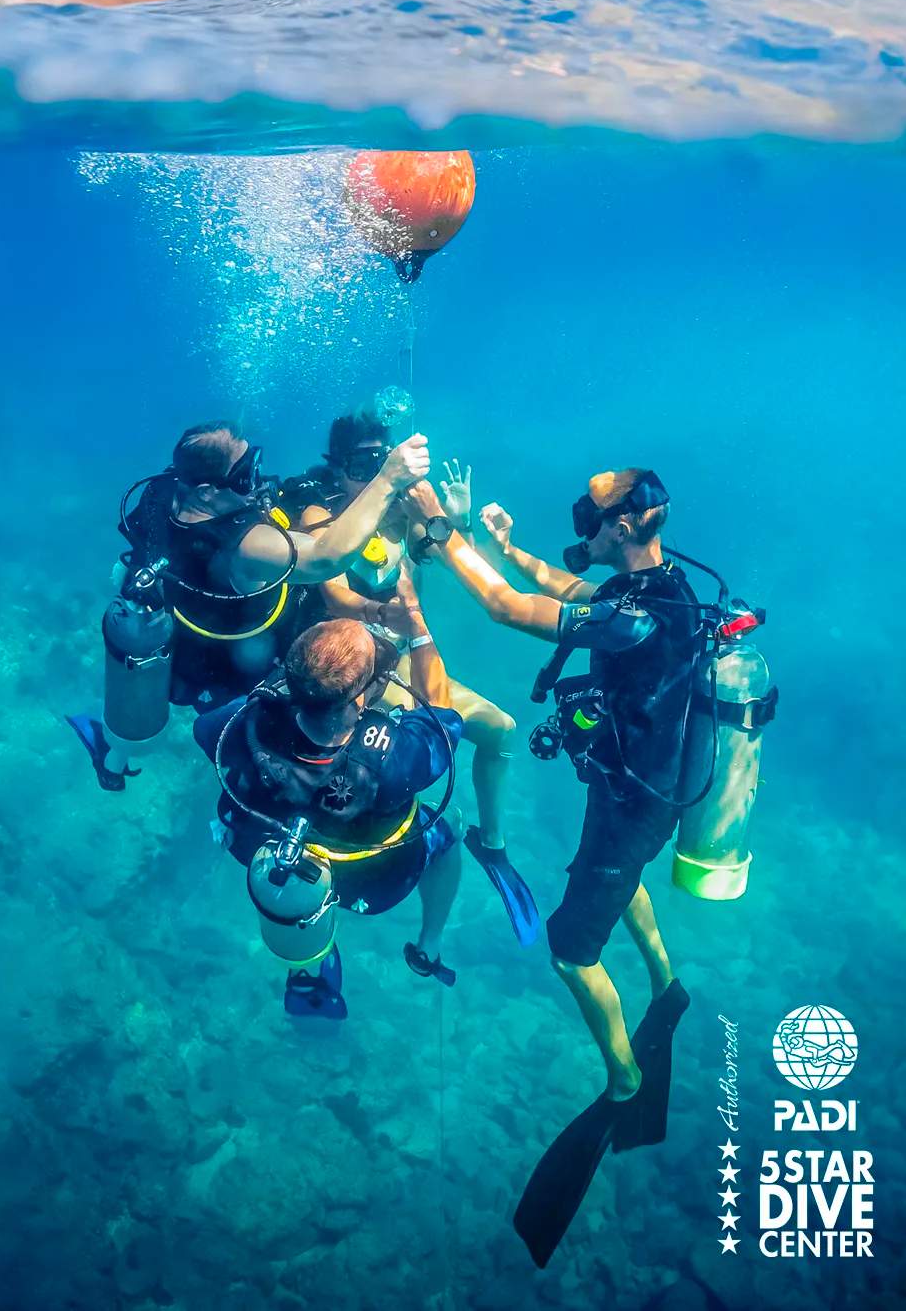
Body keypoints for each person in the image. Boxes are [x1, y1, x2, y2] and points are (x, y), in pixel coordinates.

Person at [405, 467, 697, 1264]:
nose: (581, 522)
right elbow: (567, 585)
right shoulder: (661, 587)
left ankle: (625, 1081)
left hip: (633, 803)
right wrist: (507, 545)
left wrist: (441, 531)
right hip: (644, 793)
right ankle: (667, 983)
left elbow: (509, 609)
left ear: (627, 525)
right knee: (620, 874)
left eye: (589, 511)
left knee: (572, 950)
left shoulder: (633, 621)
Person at [284, 408, 539, 944]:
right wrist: (385, 615)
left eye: (381, 458)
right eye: (360, 463)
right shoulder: (319, 511)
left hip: (398, 659)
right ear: (337, 467)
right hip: (343, 670)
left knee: (501, 729)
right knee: (358, 802)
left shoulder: (401, 508)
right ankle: (314, 922)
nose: (373, 471)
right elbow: (332, 590)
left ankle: (491, 843)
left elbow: (444, 555)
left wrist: (460, 520)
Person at [67, 420, 431, 791]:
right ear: (207, 492)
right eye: (244, 476)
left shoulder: (162, 494)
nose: (255, 481)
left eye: (252, 463)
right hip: (244, 662)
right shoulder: (243, 546)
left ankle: (114, 759)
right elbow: (326, 557)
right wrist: (387, 479)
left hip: (189, 650)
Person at [193, 568, 463, 1017]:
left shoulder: (251, 718)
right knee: (452, 826)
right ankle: (427, 944)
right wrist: (416, 625)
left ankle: (307, 964)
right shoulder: (393, 760)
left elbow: (206, 733)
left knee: (294, 894)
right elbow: (443, 714)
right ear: (360, 701)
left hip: (263, 847)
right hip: (371, 878)